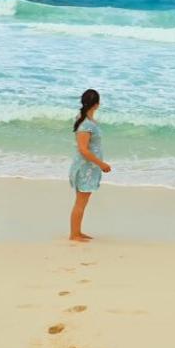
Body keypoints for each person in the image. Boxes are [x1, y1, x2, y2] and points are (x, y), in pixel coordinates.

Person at [69, 89, 110, 241]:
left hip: (89, 167)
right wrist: (102, 164)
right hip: (85, 168)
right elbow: (83, 150)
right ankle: (74, 234)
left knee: (82, 202)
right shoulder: (86, 124)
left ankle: (77, 232)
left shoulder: (85, 119)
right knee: (81, 202)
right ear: (97, 104)